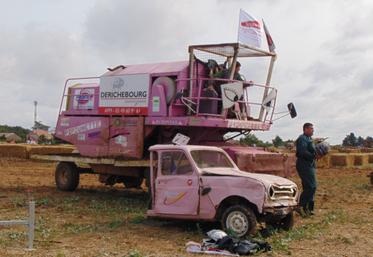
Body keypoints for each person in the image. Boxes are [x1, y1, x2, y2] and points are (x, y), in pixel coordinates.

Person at [296, 122, 318, 217]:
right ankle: (300, 206)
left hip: (310, 165)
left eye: (313, 129)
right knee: (312, 186)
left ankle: (308, 209)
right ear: (305, 129)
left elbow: (312, 149)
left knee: (308, 187)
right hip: (304, 165)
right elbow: (302, 152)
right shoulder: (302, 139)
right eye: (311, 129)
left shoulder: (309, 139)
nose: (313, 130)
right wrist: (314, 156)